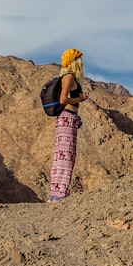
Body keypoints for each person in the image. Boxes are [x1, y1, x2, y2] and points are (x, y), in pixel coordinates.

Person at [48, 48, 88, 202]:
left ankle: (55, 193)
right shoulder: (69, 77)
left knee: (62, 155)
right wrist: (80, 99)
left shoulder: (66, 77)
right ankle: (60, 195)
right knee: (66, 156)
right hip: (67, 117)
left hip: (66, 118)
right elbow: (63, 100)